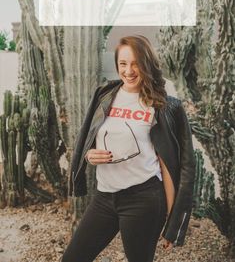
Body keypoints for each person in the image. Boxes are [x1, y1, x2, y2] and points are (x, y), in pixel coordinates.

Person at [62, 35, 196, 262]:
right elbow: (92, 138)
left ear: (147, 64)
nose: (129, 71)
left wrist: (172, 223)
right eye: (123, 64)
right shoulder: (105, 95)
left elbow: (173, 167)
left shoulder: (163, 106)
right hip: (104, 197)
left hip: (143, 199)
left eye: (136, 63)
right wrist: (90, 155)